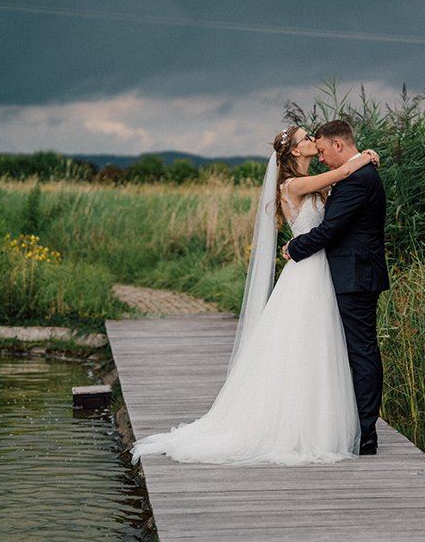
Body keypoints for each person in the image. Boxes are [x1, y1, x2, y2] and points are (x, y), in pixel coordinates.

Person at [130, 125, 379, 465]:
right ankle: (301, 425)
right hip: (308, 271)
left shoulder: (315, 181)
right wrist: (364, 157)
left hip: (321, 270)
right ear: (294, 151)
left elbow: (337, 199)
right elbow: (344, 173)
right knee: (303, 346)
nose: (313, 143)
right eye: (307, 139)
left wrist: (298, 244)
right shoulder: (292, 184)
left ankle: (321, 420)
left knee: (317, 347)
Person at [284, 119, 389, 455]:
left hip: (354, 277)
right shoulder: (353, 174)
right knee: (340, 350)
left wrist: (295, 247)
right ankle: (347, 425)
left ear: (339, 145)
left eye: (324, 149)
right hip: (343, 275)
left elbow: (330, 229)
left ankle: (366, 433)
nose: (321, 156)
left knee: (360, 351)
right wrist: (365, 156)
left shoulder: (356, 179)